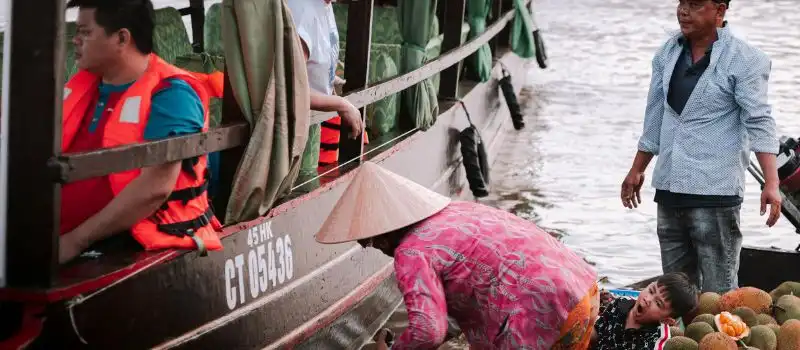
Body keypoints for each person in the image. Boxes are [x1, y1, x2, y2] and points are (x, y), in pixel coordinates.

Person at [315, 161, 601, 349]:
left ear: (382, 233)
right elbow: (457, 305)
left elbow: (428, 331)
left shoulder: (411, 252)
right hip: (583, 292)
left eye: (369, 242)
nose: (375, 248)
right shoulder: (457, 211)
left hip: (545, 313)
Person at [620, 0, 781, 294]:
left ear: (719, 11)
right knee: (675, 294)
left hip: (714, 194)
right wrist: (637, 169)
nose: (683, 11)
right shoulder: (667, 53)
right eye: (681, 2)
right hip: (669, 189)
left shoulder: (745, 60)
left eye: (694, 4)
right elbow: (655, 116)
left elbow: (759, 121)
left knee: (719, 295)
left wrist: (771, 183)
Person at [59, 0, 223, 263]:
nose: (75, 40)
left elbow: (156, 187)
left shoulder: (172, 94)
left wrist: (74, 241)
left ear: (122, 38)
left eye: (85, 32)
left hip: (123, 247)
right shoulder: (80, 88)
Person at [286, 0, 365, 168]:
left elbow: (314, 63)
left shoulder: (325, 4)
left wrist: (331, 80)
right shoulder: (303, 12)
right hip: (296, 133)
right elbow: (293, 88)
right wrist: (342, 105)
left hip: (316, 128)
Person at [591, 273, 699, 350]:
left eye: (658, 303)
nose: (648, 299)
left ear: (666, 320)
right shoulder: (619, 304)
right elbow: (596, 334)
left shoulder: (656, 340)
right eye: (651, 291)